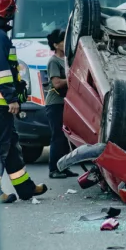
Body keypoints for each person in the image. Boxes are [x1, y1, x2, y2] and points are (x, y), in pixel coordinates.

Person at [0, 0, 48, 203]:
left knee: (11, 146)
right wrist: (12, 98)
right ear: (6, 13)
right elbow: (0, 72)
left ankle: (25, 187)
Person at [44, 28, 78, 179]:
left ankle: (63, 167)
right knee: (57, 136)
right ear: (56, 44)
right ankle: (54, 170)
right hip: (55, 104)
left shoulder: (68, 59)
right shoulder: (53, 61)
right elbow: (56, 83)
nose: (67, 43)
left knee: (65, 137)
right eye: (63, 40)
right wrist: (72, 79)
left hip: (66, 103)